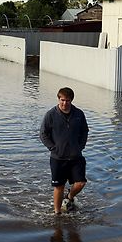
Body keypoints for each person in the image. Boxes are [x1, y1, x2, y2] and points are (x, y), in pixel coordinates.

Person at [40, 87, 89, 215]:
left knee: (81, 183)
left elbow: (85, 131)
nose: (64, 103)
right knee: (59, 186)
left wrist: (80, 146)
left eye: (67, 100)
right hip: (58, 158)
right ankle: (57, 213)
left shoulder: (79, 114)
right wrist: (53, 148)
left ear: (71, 100)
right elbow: (43, 134)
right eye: (62, 100)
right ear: (58, 99)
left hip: (76, 156)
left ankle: (69, 198)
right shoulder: (51, 114)